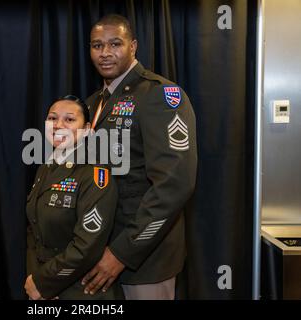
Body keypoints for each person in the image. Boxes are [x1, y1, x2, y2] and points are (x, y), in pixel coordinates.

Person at [81, 14, 198, 300]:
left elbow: (174, 185)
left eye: (115, 44)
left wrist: (122, 252)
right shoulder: (94, 102)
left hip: (144, 259)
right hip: (98, 251)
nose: (105, 53)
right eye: (97, 45)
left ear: (133, 46)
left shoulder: (160, 94)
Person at [24, 95, 124, 300]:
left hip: (82, 290)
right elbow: (34, 234)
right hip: (46, 289)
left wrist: (44, 283)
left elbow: (87, 247)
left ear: (86, 129)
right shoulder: (46, 168)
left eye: (69, 119)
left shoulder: (95, 174)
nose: (58, 125)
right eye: (52, 118)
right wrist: (37, 282)